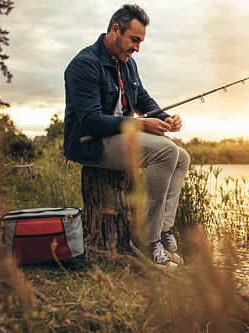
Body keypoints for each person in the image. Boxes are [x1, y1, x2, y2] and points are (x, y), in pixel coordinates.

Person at [64, 4, 189, 269]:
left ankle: (162, 231)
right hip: (92, 143)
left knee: (182, 156)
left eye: (141, 41)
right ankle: (146, 239)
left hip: (117, 139)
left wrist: (166, 118)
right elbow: (91, 121)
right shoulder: (84, 64)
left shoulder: (128, 65)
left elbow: (142, 98)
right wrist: (141, 125)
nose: (137, 48)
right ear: (115, 30)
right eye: (134, 40)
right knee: (166, 152)